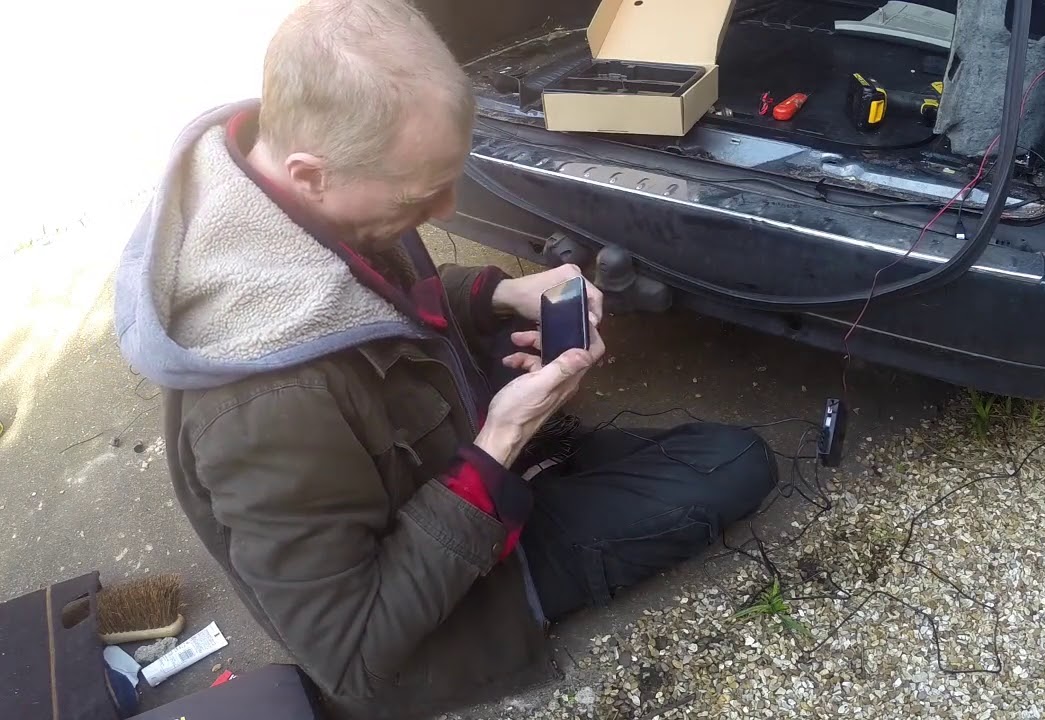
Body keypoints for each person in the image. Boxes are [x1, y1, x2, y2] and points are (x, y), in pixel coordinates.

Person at [113, 0, 775, 717]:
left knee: (676, 446)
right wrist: (502, 444)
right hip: (453, 596)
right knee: (737, 460)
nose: (447, 208)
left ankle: (537, 462)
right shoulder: (263, 413)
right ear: (311, 174)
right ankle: (534, 471)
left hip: (443, 456)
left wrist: (501, 294)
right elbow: (352, 654)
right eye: (424, 194)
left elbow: (370, 308)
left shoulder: (286, 189)